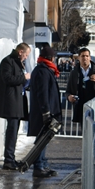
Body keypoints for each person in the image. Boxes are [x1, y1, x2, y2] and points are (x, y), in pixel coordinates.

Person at [0, 43, 31, 171]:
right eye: (26, 54)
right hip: (11, 101)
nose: (26, 57)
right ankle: (8, 160)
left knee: (14, 131)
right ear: (20, 52)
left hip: (17, 100)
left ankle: (11, 157)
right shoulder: (7, 62)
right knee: (12, 131)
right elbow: (8, 79)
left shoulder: (17, 62)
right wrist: (23, 77)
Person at [28, 44, 62, 178]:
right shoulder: (42, 71)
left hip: (44, 111)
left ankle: (41, 163)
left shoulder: (43, 69)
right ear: (51, 58)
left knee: (44, 138)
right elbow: (43, 93)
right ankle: (38, 166)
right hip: (43, 112)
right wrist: (46, 112)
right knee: (42, 138)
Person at [66, 48, 95, 124]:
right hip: (81, 108)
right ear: (79, 58)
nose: (85, 58)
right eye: (82, 56)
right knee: (85, 133)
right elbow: (68, 91)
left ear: (90, 57)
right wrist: (69, 97)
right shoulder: (74, 72)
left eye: (87, 56)